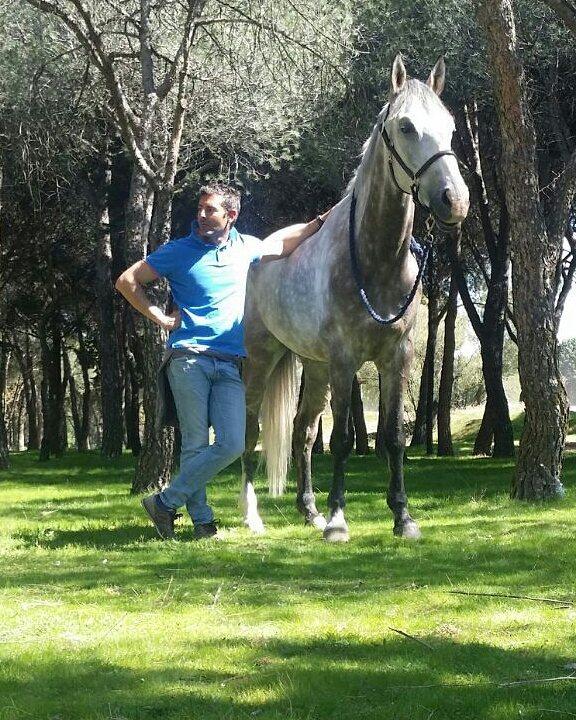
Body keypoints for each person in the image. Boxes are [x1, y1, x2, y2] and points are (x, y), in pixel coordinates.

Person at [115, 183, 329, 540]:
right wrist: (160, 318)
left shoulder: (245, 247)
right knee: (195, 445)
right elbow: (127, 281)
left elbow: (285, 243)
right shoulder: (178, 251)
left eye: (210, 209)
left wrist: (321, 222)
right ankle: (202, 523)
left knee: (232, 442)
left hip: (229, 362)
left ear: (231, 215)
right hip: (188, 359)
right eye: (200, 208)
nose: (201, 215)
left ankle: (164, 503)